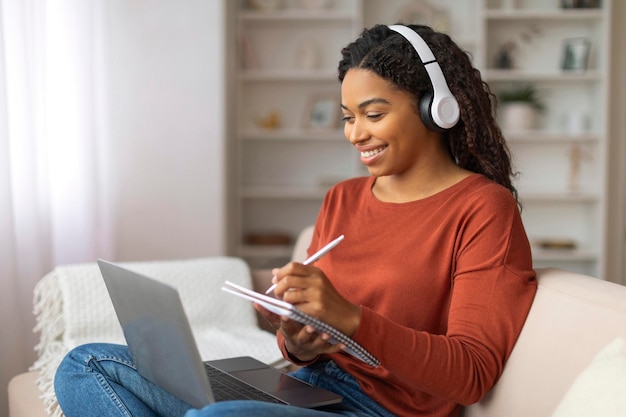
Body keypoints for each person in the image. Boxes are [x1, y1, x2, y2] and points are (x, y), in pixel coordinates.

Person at [54, 24, 537, 417]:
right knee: (85, 363)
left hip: (383, 411)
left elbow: (471, 373)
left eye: (373, 113)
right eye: (348, 116)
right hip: (304, 386)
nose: (356, 133)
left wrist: (350, 317)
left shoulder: (481, 208)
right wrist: (300, 341)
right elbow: (303, 339)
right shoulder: (343, 197)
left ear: (437, 109)